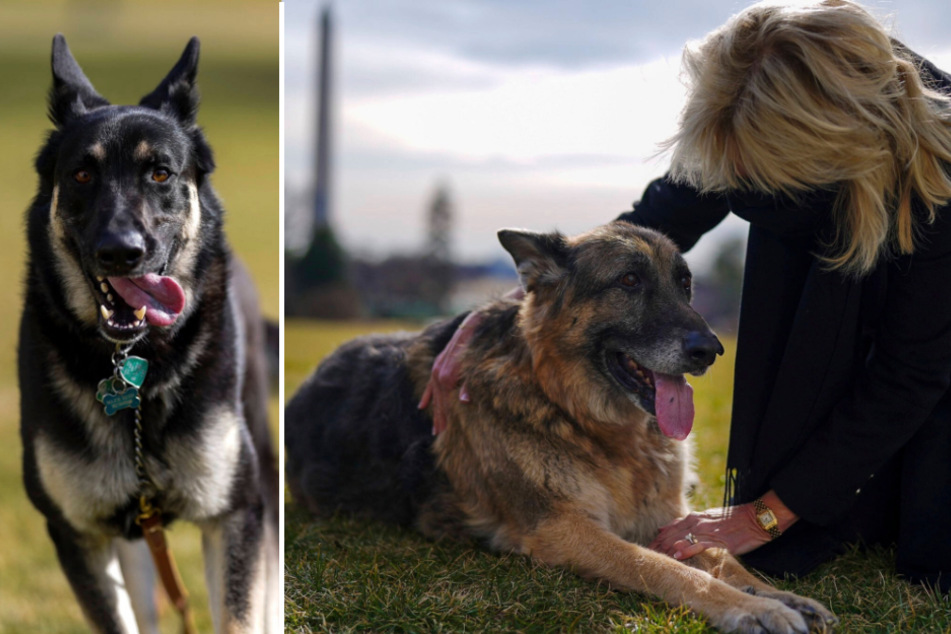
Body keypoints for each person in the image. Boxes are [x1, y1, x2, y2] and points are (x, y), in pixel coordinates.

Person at [420, 0, 951, 593]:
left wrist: (764, 515)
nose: (736, 181)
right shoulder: (740, 103)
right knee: (816, 533)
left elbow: (915, 369)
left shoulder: (935, 173)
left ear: (827, 146)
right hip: (847, 302)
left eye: (762, 176)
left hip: (936, 353)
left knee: (928, 547)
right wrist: (502, 315)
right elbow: (640, 230)